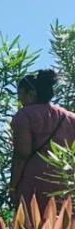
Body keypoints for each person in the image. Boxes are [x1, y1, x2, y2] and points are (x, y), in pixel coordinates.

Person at [10, 69, 75, 207]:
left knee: (32, 225)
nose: (19, 99)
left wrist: (13, 186)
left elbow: (22, 154)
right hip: (66, 182)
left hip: (34, 184)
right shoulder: (70, 118)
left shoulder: (24, 116)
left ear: (31, 93)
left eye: (20, 94)